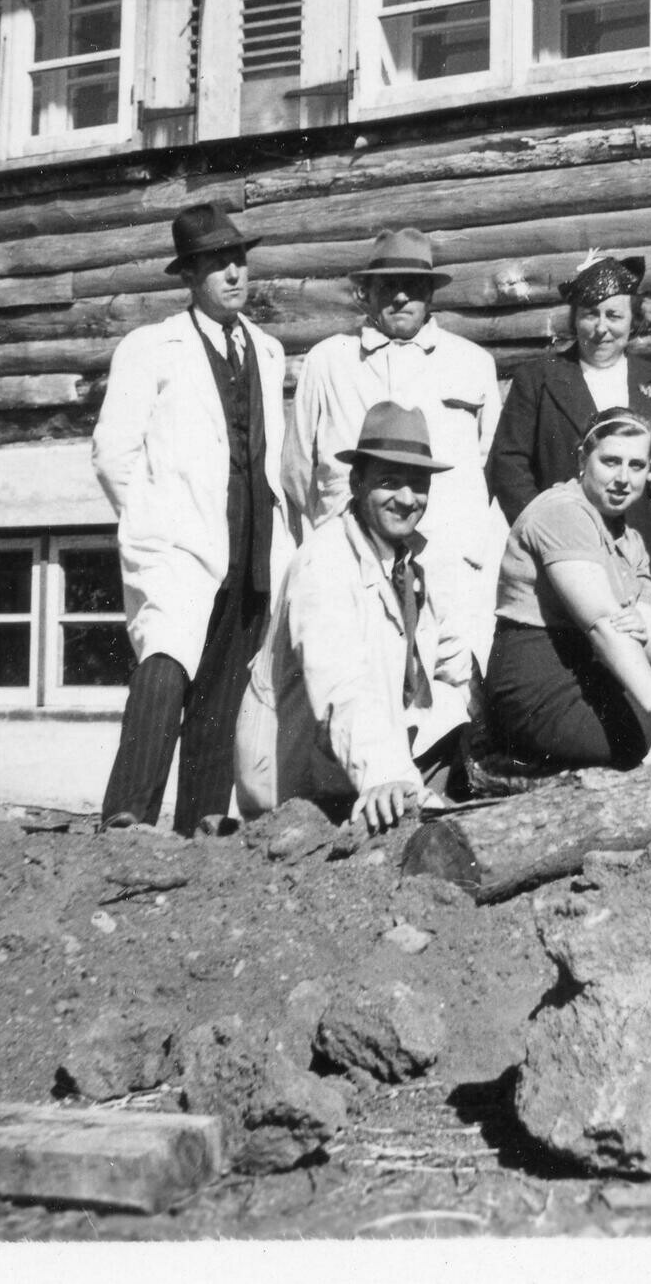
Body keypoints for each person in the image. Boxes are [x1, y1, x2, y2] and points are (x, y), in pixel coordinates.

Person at [91, 203, 293, 835]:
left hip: (252, 543)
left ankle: (201, 827)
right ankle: (127, 822)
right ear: (189, 277)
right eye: (214, 263)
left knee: (223, 694)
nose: (232, 274)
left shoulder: (267, 349)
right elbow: (112, 454)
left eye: (238, 260)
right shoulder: (151, 347)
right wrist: (155, 522)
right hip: (176, 543)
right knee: (166, 665)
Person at [235, 402, 476, 829]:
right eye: (389, 482)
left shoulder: (421, 558)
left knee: (462, 716)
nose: (406, 499)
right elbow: (340, 686)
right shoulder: (324, 561)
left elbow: (455, 665)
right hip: (297, 782)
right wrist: (385, 775)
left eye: (418, 484)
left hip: (363, 760)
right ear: (356, 481)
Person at [283, 228, 502, 665]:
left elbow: (492, 463)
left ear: (431, 295)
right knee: (359, 683)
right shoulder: (329, 361)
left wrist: (469, 544)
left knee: (450, 687)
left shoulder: (472, 363)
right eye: (388, 286)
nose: (402, 298)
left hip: (447, 561)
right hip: (353, 561)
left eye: (414, 287)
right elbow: (296, 471)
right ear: (365, 293)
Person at [490, 253, 651, 670]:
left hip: (648, 555)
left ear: (634, 320)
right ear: (574, 319)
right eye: (590, 314)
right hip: (568, 560)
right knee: (579, 679)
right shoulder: (539, 380)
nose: (602, 327)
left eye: (614, 315)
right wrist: (548, 535)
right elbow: (507, 464)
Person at [485, 408, 651, 775]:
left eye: (637, 466)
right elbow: (603, 624)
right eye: (610, 461)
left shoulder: (632, 542)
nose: (623, 478)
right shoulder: (560, 512)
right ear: (582, 459)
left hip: (600, 675)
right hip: (539, 686)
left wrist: (637, 626)